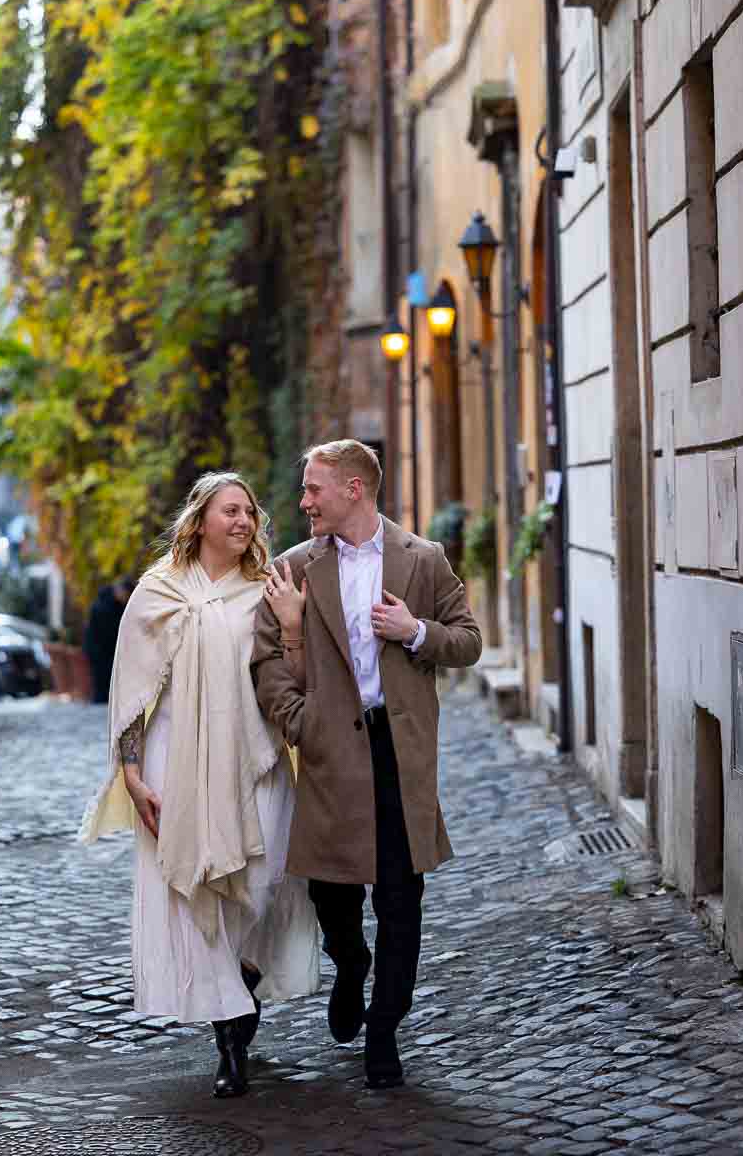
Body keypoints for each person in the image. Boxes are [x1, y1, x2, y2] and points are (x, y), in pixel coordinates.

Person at [79, 472, 319, 1098]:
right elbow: (130, 691)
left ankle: (242, 974)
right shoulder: (158, 592)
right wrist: (131, 775)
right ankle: (231, 1034)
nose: (244, 522)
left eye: (250, 512)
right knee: (200, 895)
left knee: (261, 883)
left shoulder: (268, 590)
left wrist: (292, 624)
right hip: (174, 761)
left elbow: (297, 676)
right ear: (201, 518)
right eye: (231, 511)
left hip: (257, 757)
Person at [252, 439, 482, 1090]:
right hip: (329, 750)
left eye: (314, 488)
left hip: (398, 752)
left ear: (354, 489)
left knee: (402, 896)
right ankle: (350, 965)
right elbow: (267, 660)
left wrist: (415, 631)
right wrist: (300, 720)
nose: (303, 501)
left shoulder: (423, 560)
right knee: (332, 890)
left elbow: (468, 641)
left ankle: (385, 1032)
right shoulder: (294, 569)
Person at [83, 577, 136, 703]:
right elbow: (108, 630)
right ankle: (100, 701)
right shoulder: (104, 605)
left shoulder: (112, 602)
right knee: (102, 678)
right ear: (120, 591)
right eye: (126, 595)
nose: (126, 599)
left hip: (105, 649)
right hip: (100, 649)